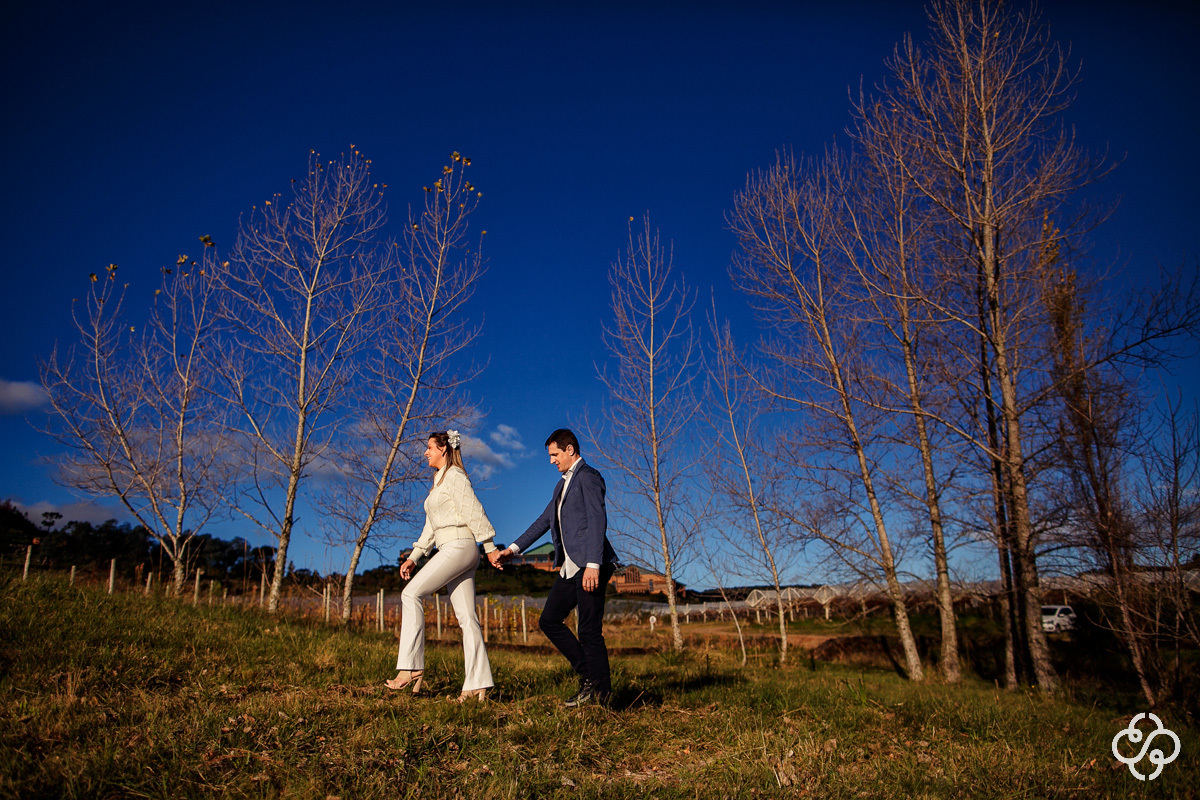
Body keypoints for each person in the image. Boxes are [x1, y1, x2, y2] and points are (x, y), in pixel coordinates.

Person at [492, 428, 617, 707]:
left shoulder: (588, 477)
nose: (551, 460)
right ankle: (589, 676)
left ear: (570, 450)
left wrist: (594, 565)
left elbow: (598, 521)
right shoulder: (561, 485)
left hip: (590, 564)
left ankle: (603, 700)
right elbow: (543, 520)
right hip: (569, 567)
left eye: (554, 454)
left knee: (588, 631)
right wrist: (512, 550)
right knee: (548, 620)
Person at [387, 430, 498, 702]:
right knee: (467, 619)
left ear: (444, 449)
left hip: (459, 545)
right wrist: (415, 556)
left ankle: (411, 667)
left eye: (429, 448)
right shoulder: (439, 482)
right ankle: (476, 685)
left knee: (411, 594)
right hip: (454, 547)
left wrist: (490, 546)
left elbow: (474, 509)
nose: (426, 452)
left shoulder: (456, 477)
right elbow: (431, 526)